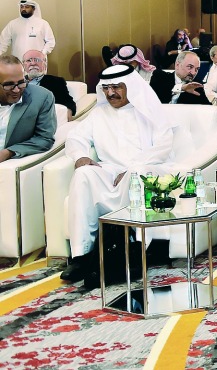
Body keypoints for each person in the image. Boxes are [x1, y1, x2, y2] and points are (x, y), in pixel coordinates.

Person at [60, 65, 177, 282]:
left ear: (131, 86)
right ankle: (82, 255)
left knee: (136, 175)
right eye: (106, 88)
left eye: (116, 87)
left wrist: (132, 167)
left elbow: (163, 147)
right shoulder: (99, 113)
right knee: (84, 174)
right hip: (110, 170)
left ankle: (135, 251)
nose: (110, 93)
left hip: (146, 167)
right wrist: (80, 156)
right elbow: (76, 137)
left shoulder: (149, 111)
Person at [0, 54, 57, 164]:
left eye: (21, 83)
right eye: (9, 85)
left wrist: (8, 152)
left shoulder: (42, 97)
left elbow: (45, 139)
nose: (17, 90)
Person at [21, 49, 75, 118]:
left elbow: (69, 102)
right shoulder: (17, 82)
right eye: (29, 60)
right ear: (23, 65)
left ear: (44, 64)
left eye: (37, 60)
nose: (33, 63)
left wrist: (69, 110)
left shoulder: (56, 82)